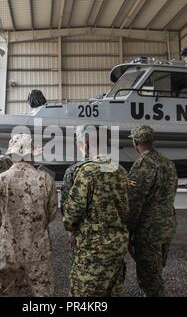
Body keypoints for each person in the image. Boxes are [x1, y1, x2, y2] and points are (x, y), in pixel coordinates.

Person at [63, 125, 129, 297]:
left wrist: (70, 228)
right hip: (117, 243)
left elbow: (72, 212)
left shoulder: (86, 172)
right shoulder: (120, 170)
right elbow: (126, 209)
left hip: (93, 247)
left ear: (85, 144)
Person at [0, 133, 57, 296]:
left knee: (6, 292)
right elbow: (52, 212)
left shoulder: (0, 180)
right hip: (38, 248)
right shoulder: (45, 179)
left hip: (8, 249)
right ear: (30, 153)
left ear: (11, 153)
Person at [127, 125, 178, 297]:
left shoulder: (141, 166)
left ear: (135, 142)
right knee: (157, 270)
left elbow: (134, 203)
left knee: (149, 278)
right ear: (152, 141)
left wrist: (128, 231)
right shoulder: (168, 163)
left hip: (149, 231)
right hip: (167, 226)